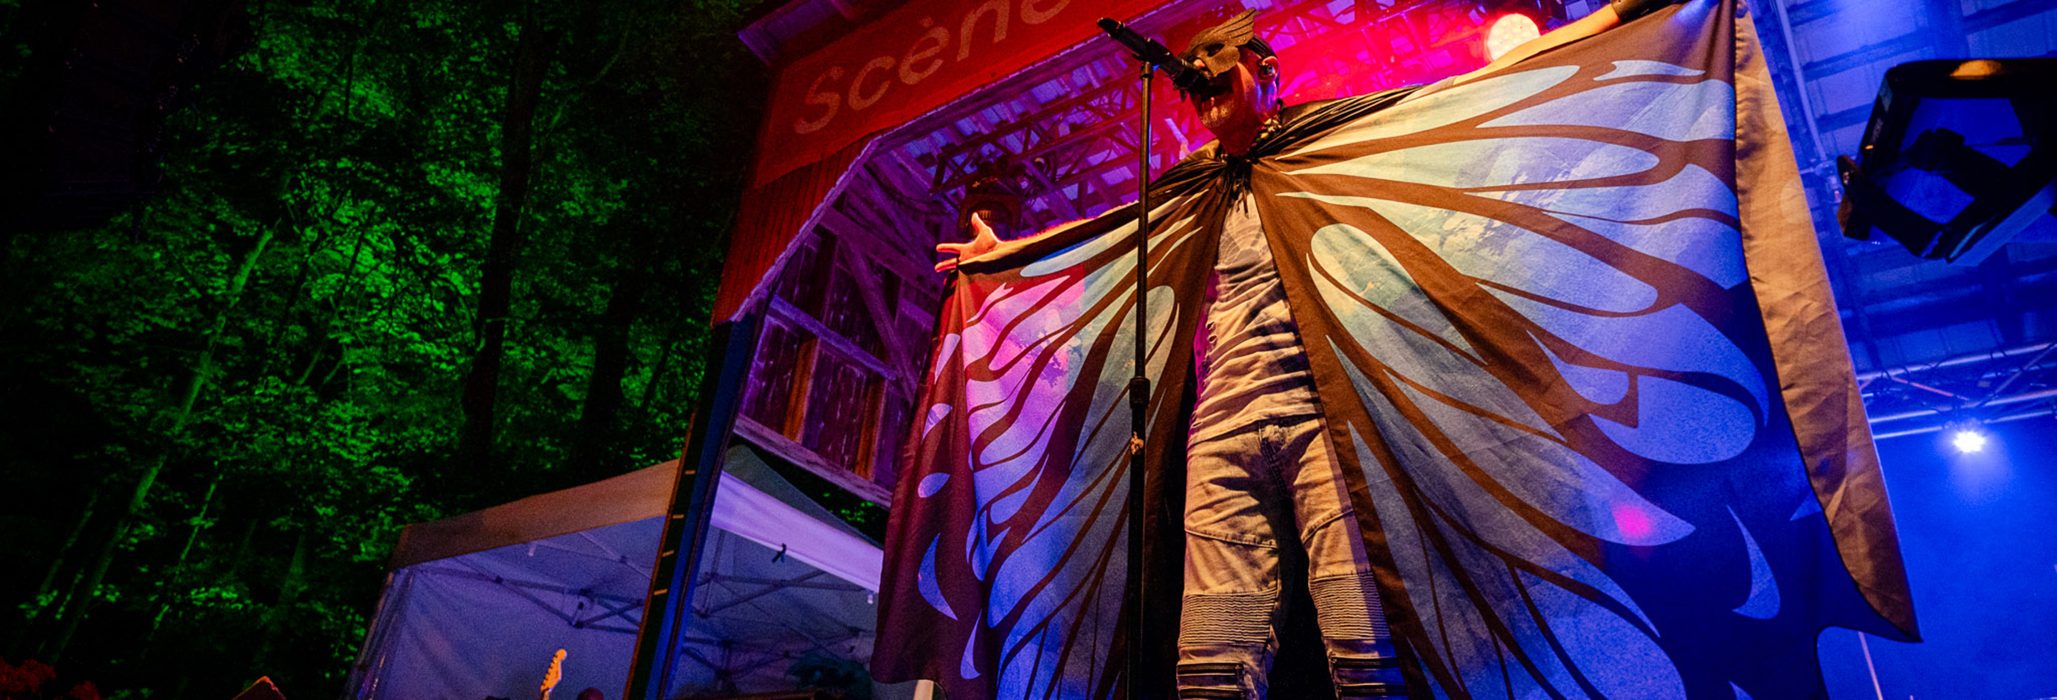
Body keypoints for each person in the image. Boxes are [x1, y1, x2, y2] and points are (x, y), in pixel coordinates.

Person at [884, 0, 1917, 697]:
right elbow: (1104, 239)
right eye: (1191, 76)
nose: (1198, 86)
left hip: (1327, 413)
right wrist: (1006, 258)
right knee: (1214, 638)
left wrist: (1621, 19)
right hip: (1220, 429)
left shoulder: (1331, 138)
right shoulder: (1186, 189)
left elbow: (1472, 101)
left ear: (1261, 71)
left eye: (1216, 67)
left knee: (1358, 625)